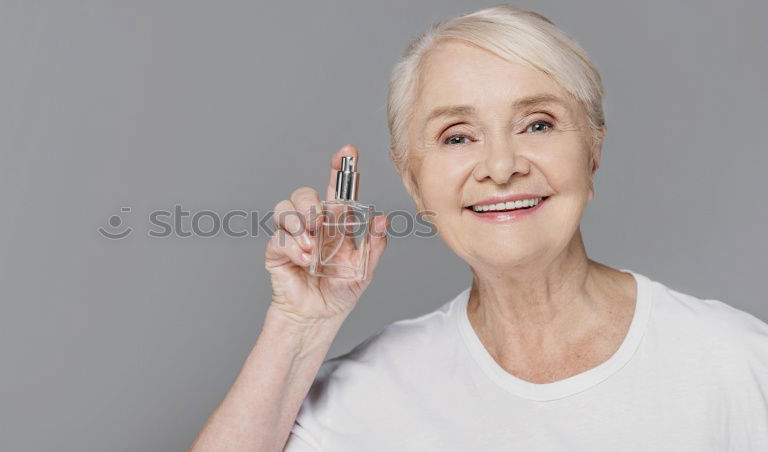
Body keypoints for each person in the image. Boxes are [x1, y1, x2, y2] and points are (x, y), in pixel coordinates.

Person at [190, 4, 768, 451]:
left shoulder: (736, 364)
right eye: (457, 137)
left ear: (592, 150)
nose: (500, 165)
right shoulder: (367, 395)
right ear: (413, 180)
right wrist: (298, 328)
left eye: (537, 124)